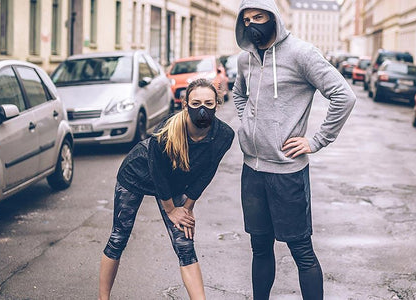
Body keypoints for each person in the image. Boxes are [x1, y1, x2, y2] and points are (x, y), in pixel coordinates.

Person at [232, 0, 357, 299]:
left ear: (273, 17)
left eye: (258, 17)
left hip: (287, 173)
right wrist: (248, 120)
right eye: (246, 20)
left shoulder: (301, 54)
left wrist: (316, 141)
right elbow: (239, 93)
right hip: (252, 170)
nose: (252, 25)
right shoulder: (244, 59)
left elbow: (344, 96)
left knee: (301, 250)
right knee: (259, 247)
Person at [98, 78, 235, 300]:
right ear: (185, 104)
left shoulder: (224, 135)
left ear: (217, 105)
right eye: (196, 102)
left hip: (174, 185)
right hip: (136, 174)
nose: (202, 109)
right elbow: (158, 174)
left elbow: (207, 173)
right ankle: (102, 298)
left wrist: (187, 208)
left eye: (209, 104)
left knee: (185, 244)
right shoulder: (166, 133)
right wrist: (172, 210)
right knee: (118, 237)